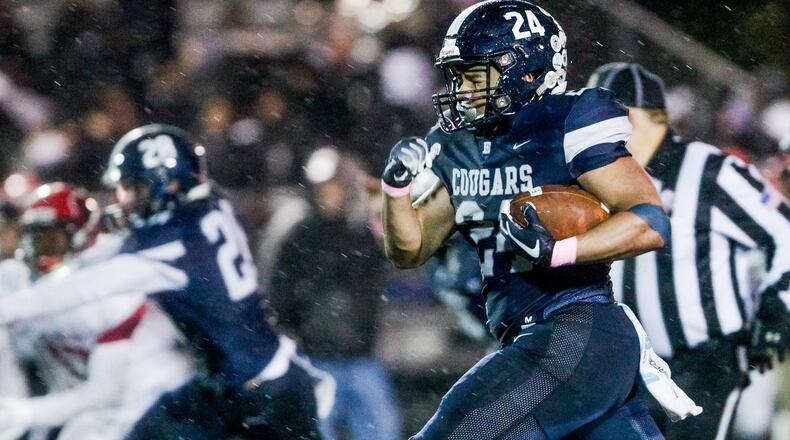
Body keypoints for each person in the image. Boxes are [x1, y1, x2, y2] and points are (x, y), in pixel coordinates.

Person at [380, 1, 697, 438]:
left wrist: (560, 249)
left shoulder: (566, 122)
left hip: (575, 329)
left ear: (525, 71)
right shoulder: (459, 146)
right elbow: (409, 249)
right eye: (459, 76)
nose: (464, 90)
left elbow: (648, 222)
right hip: (546, 342)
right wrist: (395, 191)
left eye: (477, 75)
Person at [0, 125, 334, 439]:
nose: (123, 200)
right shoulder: (209, 207)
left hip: (267, 395)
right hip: (224, 386)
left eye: (133, 188)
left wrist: (8, 308)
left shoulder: (168, 248)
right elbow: (119, 254)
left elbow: (83, 288)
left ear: (169, 183)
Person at [588, 62, 790, 440]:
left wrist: (775, 306)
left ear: (645, 118)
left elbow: (783, 232)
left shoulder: (710, 171)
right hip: (631, 362)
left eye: (602, 119)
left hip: (706, 359)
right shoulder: (595, 178)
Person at [0, 182, 194, 440]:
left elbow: (104, 394)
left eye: (51, 241)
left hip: (143, 399)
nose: (41, 255)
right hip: (80, 400)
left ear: (83, 238)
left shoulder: (112, 292)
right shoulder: (14, 280)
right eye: (34, 241)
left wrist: (26, 414)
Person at [268, 147, 402, 440]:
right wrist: (290, 329)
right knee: (315, 430)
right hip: (315, 357)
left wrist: (362, 328)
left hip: (359, 355)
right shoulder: (296, 232)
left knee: (383, 429)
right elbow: (278, 288)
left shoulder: (362, 231)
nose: (330, 193)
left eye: (335, 186)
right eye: (324, 187)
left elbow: (374, 285)